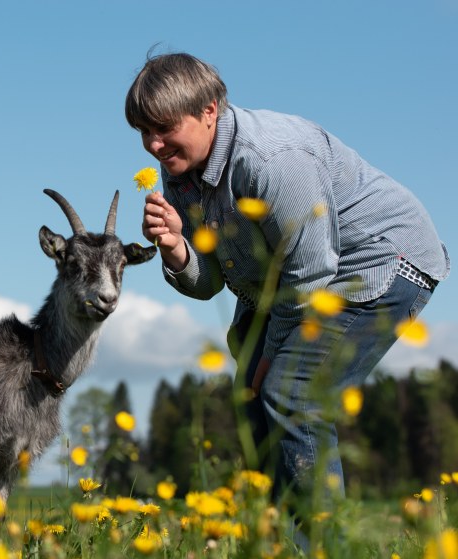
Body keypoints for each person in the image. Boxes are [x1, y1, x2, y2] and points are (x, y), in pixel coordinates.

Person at [127, 53, 450, 515]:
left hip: (378, 260)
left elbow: (311, 272)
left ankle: (319, 539)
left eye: (163, 128)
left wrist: (270, 356)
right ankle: (274, 536)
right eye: (144, 132)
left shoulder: (272, 158)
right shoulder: (182, 165)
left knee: (292, 393)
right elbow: (212, 280)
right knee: (253, 398)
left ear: (208, 110)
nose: (154, 145)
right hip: (295, 278)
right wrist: (176, 246)